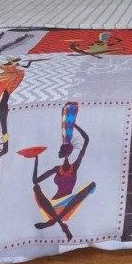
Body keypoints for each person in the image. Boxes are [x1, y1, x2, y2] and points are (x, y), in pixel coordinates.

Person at [28, 103, 94, 240]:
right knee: (36, 188)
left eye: (60, 150)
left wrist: (73, 125)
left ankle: (53, 222)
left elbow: (86, 139)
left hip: (68, 203)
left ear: (65, 153)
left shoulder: (74, 166)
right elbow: (35, 181)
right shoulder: (57, 169)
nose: (58, 152)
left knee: (91, 186)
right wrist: (36, 159)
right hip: (54, 205)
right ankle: (62, 225)